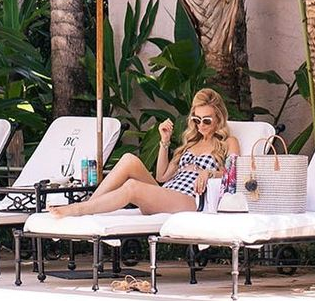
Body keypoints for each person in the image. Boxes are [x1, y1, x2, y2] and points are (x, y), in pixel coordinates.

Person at [50, 88, 241, 218]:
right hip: (167, 193)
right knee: (128, 160)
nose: (200, 126)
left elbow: (235, 177)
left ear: (218, 118)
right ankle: (91, 204)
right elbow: (161, 176)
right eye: (196, 120)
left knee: (133, 186)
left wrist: (209, 173)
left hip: (191, 200)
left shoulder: (228, 142)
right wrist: (164, 142)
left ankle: (79, 210)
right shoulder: (190, 143)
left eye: (206, 121)